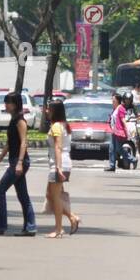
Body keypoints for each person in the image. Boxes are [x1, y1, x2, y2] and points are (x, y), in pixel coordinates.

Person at [0, 91, 36, 236]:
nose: (5, 105)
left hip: (19, 161)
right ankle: (30, 227)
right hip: (15, 160)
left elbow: (23, 143)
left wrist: (19, 162)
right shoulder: (13, 120)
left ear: (15, 104)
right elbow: (9, 144)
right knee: (23, 195)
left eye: (8, 102)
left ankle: (0, 225)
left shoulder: (20, 121)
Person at [44, 100, 81, 238]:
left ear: (54, 111)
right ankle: (72, 217)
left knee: (55, 197)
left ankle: (59, 229)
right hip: (63, 163)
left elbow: (58, 147)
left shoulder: (56, 127)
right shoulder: (64, 125)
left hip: (59, 164)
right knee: (50, 195)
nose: (46, 111)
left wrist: (58, 168)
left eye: (49, 109)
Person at [106, 91, 129, 172]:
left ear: (118, 101)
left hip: (119, 132)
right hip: (114, 132)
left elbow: (123, 120)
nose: (112, 102)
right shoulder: (115, 109)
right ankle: (112, 166)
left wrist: (127, 130)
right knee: (111, 149)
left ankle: (132, 159)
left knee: (119, 149)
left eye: (113, 101)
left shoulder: (121, 108)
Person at [125, 91, 140, 167]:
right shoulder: (121, 107)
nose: (127, 101)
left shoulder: (134, 107)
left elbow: (138, 114)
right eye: (126, 99)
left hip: (132, 127)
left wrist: (139, 117)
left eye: (129, 99)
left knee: (139, 144)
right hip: (123, 127)